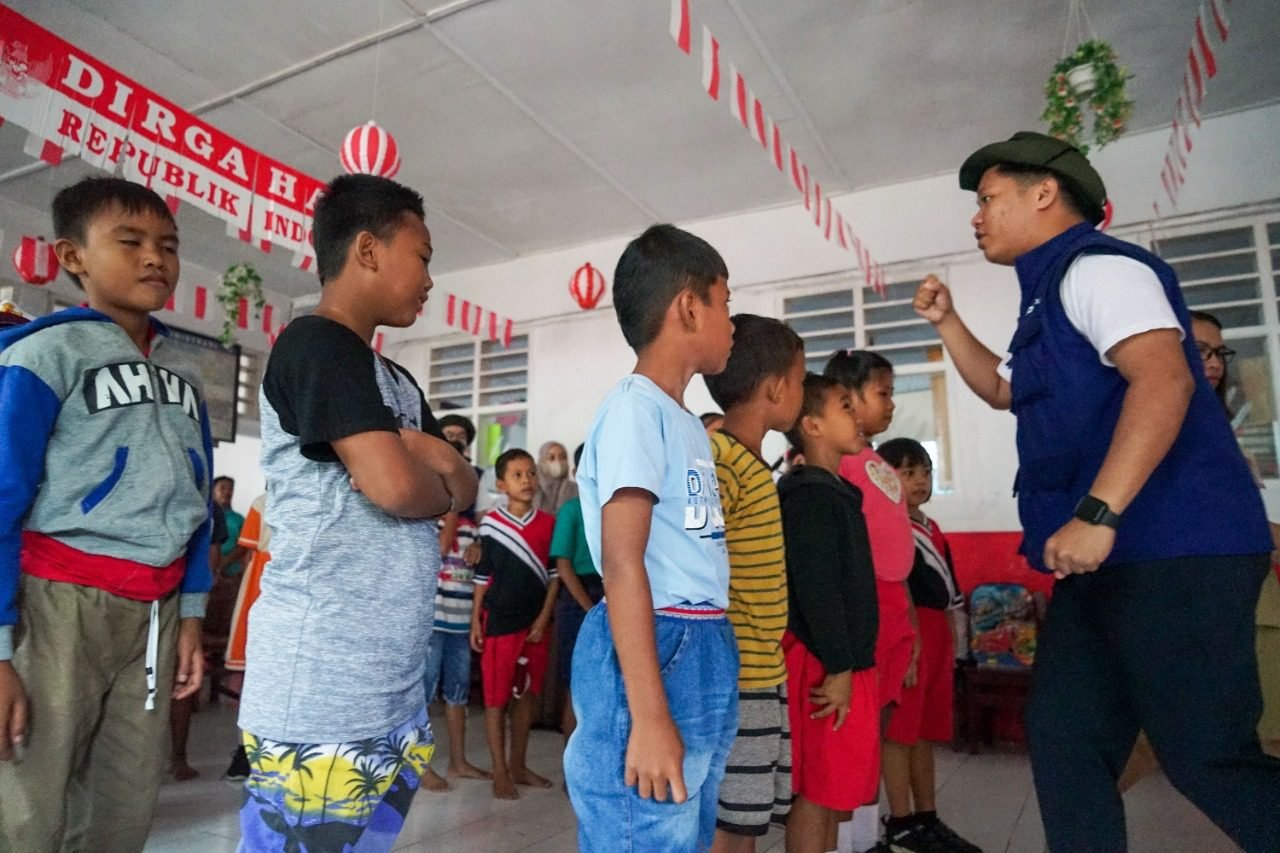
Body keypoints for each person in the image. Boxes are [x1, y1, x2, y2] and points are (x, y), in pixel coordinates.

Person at [912, 130, 1280, 851]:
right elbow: (1003, 390)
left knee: (1206, 754)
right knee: (1065, 738)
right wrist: (947, 322)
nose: (977, 217)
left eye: (988, 199)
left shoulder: (1099, 269)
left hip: (1174, 550)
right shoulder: (1047, 297)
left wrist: (1099, 511)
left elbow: (1164, 378)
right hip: (1103, 563)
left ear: (1044, 194)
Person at [237, 173, 478, 851]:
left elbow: (461, 486)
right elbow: (396, 489)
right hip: (321, 686)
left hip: (388, 686)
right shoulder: (318, 344)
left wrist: (437, 460)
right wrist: (435, 481)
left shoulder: (393, 377)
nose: (429, 278)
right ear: (368, 249)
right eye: (422, 256)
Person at [0, 176, 213, 850]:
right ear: (72, 256)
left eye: (168, 245)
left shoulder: (185, 374)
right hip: (57, 603)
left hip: (156, 611)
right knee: (29, 804)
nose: (156, 257)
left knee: (125, 804)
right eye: (131, 241)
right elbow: (3, 496)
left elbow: (198, 499)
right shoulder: (43, 353)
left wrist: (192, 613)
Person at [565, 224, 737, 852]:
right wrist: (649, 713)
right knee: (643, 831)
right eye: (726, 304)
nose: (732, 324)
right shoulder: (635, 410)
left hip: (702, 638)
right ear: (689, 307)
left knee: (682, 831)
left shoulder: (684, 422)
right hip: (656, 641)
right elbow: (620, 560)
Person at [703, 314, 806, 851]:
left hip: (762, 670)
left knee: (747, 818)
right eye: (802, 380)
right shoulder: (720, 461)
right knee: (730, 822)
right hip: (736, 673)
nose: (803, 393)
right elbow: (693, 557)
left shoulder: (748, 464)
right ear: (776, 388)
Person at [778, 374, 880, 853]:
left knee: (832, 792)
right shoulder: (809, 498)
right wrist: (839, 667)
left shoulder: (835, 492)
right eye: (845, 406)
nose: (857, 416)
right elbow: (817, 590)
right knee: (816, 792)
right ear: (812, 426)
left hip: (843, 663)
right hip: (823, 664)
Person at [823, 350, 917, 853]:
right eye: (883, 394)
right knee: (853, 733)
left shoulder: (875, 460)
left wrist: (910, 625)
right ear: (846, 400)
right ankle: (848, 841)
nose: (892, 404)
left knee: (876, 729)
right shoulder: (836, 464)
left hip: (893, 604)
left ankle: (866, 834)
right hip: (863, 603)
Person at [878, 438, 980, 852]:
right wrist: (910, 639)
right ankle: (900, 821)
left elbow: (950, 592)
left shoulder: (931, 527)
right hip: (909, 632)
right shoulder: (889, 524)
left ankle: (927, 816)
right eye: (908, 473)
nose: (920, 481)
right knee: (900, 732)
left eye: (926, 472)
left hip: (937, 633)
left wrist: (956, 644)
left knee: (924, 731)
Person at [469, 447, 559, 799]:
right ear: (502, 485)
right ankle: (500, 771)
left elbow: (554, 577)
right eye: (517, 475)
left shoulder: (549, 524)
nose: (527, 480)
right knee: (496, 698)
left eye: (531, 473)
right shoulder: (490, 524)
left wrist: (543, 618)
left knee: (527, 696)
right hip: (499, 622)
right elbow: (482, 576)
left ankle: (519, 765)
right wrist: (476, 620)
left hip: (536, 624)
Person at [421, 438, 490, 793]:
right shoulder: (424, 523)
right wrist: (449, 515)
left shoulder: (473, 529)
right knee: (423, 693)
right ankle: (418, 765)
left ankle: (458, 761)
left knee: (458, 693)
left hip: (461, 622)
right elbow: (439, 551)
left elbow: (481, 566)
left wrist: (477, 542)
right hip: (431, 623)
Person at [551, 444, 603, 740]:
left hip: (609, 589)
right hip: (579, 595)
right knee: (576, 680)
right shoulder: (572, 510)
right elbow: (563, 564)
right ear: (576, 473)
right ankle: (571, 758)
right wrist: (588, 606)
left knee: (605, 679)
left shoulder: (614, 508)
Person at [222, 491, 270, 783]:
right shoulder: (263, 503)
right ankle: (246, 749)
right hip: (262, 589)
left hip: (294, 590)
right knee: (254, 679)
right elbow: (248, 552)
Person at [213, 476, 246, 576]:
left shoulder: (239, 519)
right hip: (208, 571)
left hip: (232, 573)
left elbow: (244, 546)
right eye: (222, 488)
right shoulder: (206, 517)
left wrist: (225, 561)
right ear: (213, 491)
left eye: (230, 489)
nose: (227, 492)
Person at [534, 441, 578, 515]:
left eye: (563, 457)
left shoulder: (575, 489)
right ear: (542, 461)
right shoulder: (533, 489)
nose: (558, 461)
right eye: (551, 458)